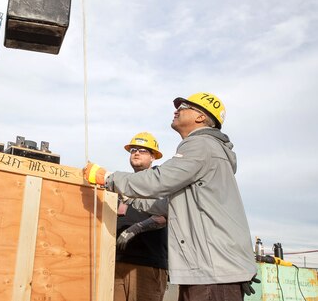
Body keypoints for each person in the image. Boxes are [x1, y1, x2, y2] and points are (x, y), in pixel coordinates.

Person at [84, 92, 258, 301]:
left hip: (213, 271)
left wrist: (108, 178)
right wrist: (128, 196)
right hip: (208, 270)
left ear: (201, 117)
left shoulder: (202, 144)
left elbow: (159, 180)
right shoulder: (208, 152)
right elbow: (166, 205)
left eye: (183, 106)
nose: (176, 110)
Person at [114, 132, 168, 301]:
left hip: (146, 262)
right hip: (117, 261)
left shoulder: (160, 181)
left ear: (153, 156)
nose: (136, 153)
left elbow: (165, 215)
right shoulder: (123, 182)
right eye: (133, 150)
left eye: (143, 150)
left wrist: (136, 228)